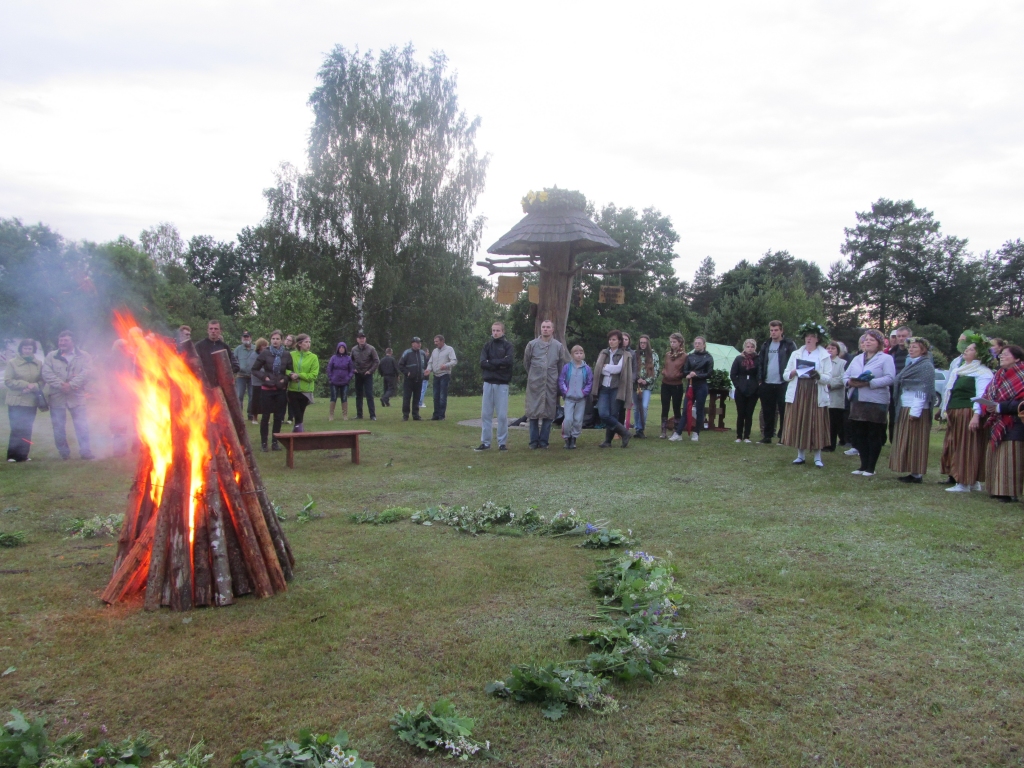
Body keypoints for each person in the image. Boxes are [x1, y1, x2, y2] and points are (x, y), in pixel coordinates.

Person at [940, 335, 993, 492]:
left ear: (978, 354)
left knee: (967, 446)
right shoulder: (961, 369)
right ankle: (970, 480)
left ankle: (964, 481)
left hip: (968, 412)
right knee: (958, 445)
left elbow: (981, 395)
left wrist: (976, 415)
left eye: (970, 349)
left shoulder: (982, 372)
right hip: (957, 411)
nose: (966, 351)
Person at [780, 323, 833, 467]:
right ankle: (800, 455)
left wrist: (818, 375)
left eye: (812, 337)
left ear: (817, 339)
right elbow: (785, 374)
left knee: (816, 422)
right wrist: (793, 372)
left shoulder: (824, 356)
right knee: (799, 420)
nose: (809, 339)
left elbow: (829, 377)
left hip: (815, 390)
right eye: (807, 336)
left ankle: (817, 457)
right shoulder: (796, 353)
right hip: (799, 389)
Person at [844, 330, 896, 477]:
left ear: (879, 343)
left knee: (873, 434)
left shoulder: (885, 359)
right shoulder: (857, 358)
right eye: (866, 340)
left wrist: (869, 383)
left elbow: (890, 378)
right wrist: (849, 382)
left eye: (871, 340)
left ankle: (870, 467)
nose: (867, 342)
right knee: (859, 434)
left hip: (875, 401)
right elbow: (846, 375)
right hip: (857, 399)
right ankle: (862, 465)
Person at [979, 345, 1024, 502]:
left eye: (1006, 354)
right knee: (997, 455)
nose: (1001, 357)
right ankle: (996, 488)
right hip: (997, 421)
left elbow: (1021, 402)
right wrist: (987, 405)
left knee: (1010, 457)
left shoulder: (1022, 375)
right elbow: (989, 393)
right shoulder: (998, 374)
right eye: (1001, 354)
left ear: (1017, 358)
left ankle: (1008, 492)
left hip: (1014, 422)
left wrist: (999, 407)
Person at [889, 337, 936, 483]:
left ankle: (917, 474)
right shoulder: (912, 364)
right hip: (905, 405)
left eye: (915, 347)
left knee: (917, 441)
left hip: (916, 408)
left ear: (923, 350)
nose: (911, 349)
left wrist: (916, 411)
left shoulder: (926, 366)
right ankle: (912, 470)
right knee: (907, 439)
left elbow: (924, 389)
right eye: (910, 347)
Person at [42, 329, 94, 460]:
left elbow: (87, 372)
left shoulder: (84, 356)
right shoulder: (51, 356)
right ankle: (64, 453)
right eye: (60, 340)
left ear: (73, 341)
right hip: (57, 396)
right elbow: (46, 373)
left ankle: (85, 451)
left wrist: (71, 385)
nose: (62, 343)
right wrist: (61, 385)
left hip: (76, 396)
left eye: (66, 340)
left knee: (81, 424)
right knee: (58, 426)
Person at [524, 320, 570, 449]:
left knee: (549, 413)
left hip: (551, 383)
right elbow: (526, 363)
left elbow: (561, 366)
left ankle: (544, 442)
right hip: (535, 384)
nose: (545, 329)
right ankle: (533, 442)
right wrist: (534, 374)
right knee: (533, 413)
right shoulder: (531, 345)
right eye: (543, 327)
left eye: (548, 327)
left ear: (552, 330)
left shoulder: (558, 346)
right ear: (540, 329)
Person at [252, 330, 293, 451]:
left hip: (280, 389)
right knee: (265, 416)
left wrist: (285, 380)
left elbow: (290, 372)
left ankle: (275, 442)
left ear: (282, 340)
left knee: (278, 416)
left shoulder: (286, 354)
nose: (275, 341)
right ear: (271, 340)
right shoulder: (265, 353)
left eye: (277, 339)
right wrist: (264, 377)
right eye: (273, 339)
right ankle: (264, 443)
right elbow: (255, 369)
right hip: (267, 388)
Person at [593, 330, 634, 448]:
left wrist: (607, 367)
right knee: (603, 414)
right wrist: (609, 368)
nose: (611, 342)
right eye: (610, 339)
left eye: (614, 339)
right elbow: (599, 368)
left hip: (617, 388)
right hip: (604, 388)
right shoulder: (603, 353)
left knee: (613, 415)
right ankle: (625, 433)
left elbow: (619, 369)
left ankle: (607, 441)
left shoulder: (625, 354)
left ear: (619, 341)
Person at [757, 320, 797, 443]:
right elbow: (760, 363)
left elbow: (795, 361)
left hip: (783, 383)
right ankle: (767, 436)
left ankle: (783, 437)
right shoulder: (765, 345)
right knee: (768, 411)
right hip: (767, 383)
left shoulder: (789, 345)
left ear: (781, 331)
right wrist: (760, 379)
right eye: (771, 330)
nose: (773, 333)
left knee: (784, 410)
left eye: (776, 330)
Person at [5, 338, 43, 462]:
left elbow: (42, 381)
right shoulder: (12, 362)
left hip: (30, 401)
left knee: (27, 428)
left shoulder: (38, 363)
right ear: (21, 349)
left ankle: (23, 455)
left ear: (33, 350)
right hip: (16, 401)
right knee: (16, 428)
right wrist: (25, 384)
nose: (27, 350)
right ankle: (12, 455)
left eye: (30, 348)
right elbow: (8, 381)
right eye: (25, 348)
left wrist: (34, 386)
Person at [477, 321, 514, 451]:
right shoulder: (487, 346)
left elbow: (508, 362)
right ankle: (485, 442)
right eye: (493, 330)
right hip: (488, 383)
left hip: (502, 384)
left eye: (498, 330)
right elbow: (482, 363)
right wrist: (498, 364)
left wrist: (491, 363)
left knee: (502, 415)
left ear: (503, 331)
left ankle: (502, 443)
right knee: (486, 414)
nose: (495, 333)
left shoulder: (508, 346)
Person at [669, 336, 713, 442]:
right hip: (691, 386)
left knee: (699, 410)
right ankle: (678, 433)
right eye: (695, 343)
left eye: (699, 343)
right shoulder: (690, 356)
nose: (697, 345)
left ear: (704, 344)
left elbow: (709, 373)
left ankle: (696, 432)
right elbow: (685, 371)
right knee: (686, 409)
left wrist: (697, 374)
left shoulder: (708, 357)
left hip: (702, 386)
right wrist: (688, 374)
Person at [559, 345, 593, 449]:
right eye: (576, 353)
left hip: (581, 399)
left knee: (578, 420)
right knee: (568, 419)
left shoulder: (587, 369)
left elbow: (589, 382)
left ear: (583, 354)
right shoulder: (567, 367)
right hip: (569, 399)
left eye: (580, 353)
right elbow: (561, 380)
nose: (578, 355)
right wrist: (565, 391)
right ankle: (567, 437)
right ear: (572, 355)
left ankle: (574, 438)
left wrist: (583, 393)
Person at [109, 339, 136, 457]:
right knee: (119, 424)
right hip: (117, 397)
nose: (123, 349)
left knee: (137, 423)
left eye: (124, 346)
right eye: (120, 347)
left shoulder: (132, 358)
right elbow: (109, 378)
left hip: (132, 394)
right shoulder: (111, 360)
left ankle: (137, 447)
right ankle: (119, 450)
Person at [194, 319, 239, 386]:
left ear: (220, 331)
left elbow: (234, 365)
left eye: (216, 329)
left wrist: (226, 374)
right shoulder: (199, 346)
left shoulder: (224, 347)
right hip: (204, 383)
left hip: (221, 384)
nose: (213, 331)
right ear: (207, 330)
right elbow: (194, 363)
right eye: (211, 329)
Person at [730, 338, 759, 443]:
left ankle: (747, 436)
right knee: (740, 413)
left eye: (752, 347)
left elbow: (759, 373)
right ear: (744, 347)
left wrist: (757, 386)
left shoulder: (758, 359)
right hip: (740, 389)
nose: (750, 349)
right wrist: (737, 386)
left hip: (753, 389)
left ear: (755, 348)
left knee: (749, 413)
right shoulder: (739, 359)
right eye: (748, 346)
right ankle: (739, 436)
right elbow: (733, 374)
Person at [887, 325, 912, 442]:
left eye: (904, 336)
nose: (901, 338)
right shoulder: (892, 352)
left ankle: (905, 438)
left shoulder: (913, 351)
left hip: (907, 388)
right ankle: (893, 440)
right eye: (899, 336)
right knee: (892, 414)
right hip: (892, 388)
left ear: (909, 337)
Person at [659, 333, 687, 439]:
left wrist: (679, 375)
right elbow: (664, 366)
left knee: (676, 407)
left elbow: (685, 370)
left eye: (674, 342)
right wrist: (664, 371)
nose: (672, 344)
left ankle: (676, 430)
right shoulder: (667, 355)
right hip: (665, 384)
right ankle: (663, 430)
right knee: (664, 407)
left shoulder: (684, 356)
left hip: (677, 385)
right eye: (671, 342)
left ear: (680, 343)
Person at [632, 335, 659, 439]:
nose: (642, 344)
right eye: (641, 343)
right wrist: (636, 379)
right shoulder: (635, 354)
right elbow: (632, 369)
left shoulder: (653, 355)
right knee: (636, 408)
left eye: (644, 343)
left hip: (647, 386)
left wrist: (646, 381)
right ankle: (637, 429)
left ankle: (641, 428)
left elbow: (656, 371)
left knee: (644, 406)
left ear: (648, 344)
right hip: (636, 385)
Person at [824, 341, 848, 452]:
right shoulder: (822, 362)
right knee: (823, 422)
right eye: (828, 348)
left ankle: (830, 445)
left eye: (832, 348)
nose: (830, 350)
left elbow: (843, 378)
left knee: (833, 423)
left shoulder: (842, 363)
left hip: (836, 397)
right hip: (823, 397)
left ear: (837, 351)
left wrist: (829, 383)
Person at [427, 334, 457, 420]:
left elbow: (454, 361)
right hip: (436, 375)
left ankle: (441, 415)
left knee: (442, 396)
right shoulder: (434, 351)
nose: (435, 343)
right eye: (434, 342)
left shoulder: (449, 349)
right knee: (435, 396)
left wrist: (446, 365)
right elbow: (430, 362)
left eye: (437, 341)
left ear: (442, 341)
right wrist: (428, 370)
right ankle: (435, 415)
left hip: (444, 374)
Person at [399, 337, 429, 421]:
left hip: (419, 379)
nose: (419, 344)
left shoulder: (422, 353)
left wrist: (426, 372)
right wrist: (407, 373)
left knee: (417, 398)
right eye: (417, 342)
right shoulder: (407, 353)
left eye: (420, 342)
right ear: (412, 344)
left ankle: (416, 415)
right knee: (407, 398)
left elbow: (425, 365)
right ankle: (405, 415)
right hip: (409, 380)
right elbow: (401, 365)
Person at [351, 332, 379, 421]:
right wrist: (353, 369)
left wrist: (370, 371)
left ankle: (372, 415)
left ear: (365, 339)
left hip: (367, 374)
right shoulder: (354, 349)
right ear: (357, 339)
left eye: (363, 338)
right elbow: (350, 361)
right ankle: (359, 414)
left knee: (369, 395)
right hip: (358, 374)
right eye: (360, 338)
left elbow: (376, 361)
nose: (362, 339)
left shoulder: (371, 349)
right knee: (358, 395)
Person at [327, 341, 354, 421]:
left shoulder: (348, 358)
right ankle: (331, 415)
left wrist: (348, 377)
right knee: (333, 397)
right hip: (334, 381)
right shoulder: (333, 358)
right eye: (340, 348)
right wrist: (331, 377)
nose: (341, 349)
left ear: (345, 349)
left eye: (343, 348)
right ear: (338, 349)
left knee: (344, 397)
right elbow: (329, 368)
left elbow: (351, 369)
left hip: (345, 381)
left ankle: (345, 415)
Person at [234, 331, 257, 417]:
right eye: (244, 337)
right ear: (242, 338)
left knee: (252, 395)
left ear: (250, 338)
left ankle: (250, 414)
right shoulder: (238, 349)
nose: (246, 338)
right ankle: (239, 415)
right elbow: (233, 359)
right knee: (239, 395)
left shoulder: (255, 348)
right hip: (241, 376)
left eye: (247, 337)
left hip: (252, 376)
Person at [249, 337, 268, 424]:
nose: (264, 347)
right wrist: (265, 375)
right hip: (257, 382)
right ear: (259, 346)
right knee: (255, 400)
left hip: (266, 382)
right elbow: (254, 368)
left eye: (265, 345)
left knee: (266, 400)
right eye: (263, 345)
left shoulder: (268, 354)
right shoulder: (254, 355)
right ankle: (254, 418)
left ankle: (265, 418)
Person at [283, 334, 296, 423]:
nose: (287, 341)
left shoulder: (294, 352)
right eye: (286, 339)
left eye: (289, 340)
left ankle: (290, 417)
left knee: (290, 398)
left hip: (291, 376)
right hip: (282, 375)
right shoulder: (281, 350)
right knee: (282, 398)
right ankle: (281, 417)